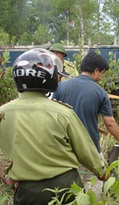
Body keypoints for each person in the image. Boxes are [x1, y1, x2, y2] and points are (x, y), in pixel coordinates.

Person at [0, 48, 109, 205]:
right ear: (49, 78)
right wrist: (102, 172)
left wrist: (5, 177)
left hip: (27, 191)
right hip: (65, 188)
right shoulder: (63, 113)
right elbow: (86, 150)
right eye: (58, 76)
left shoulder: (3, 112)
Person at [52, 51, 119, 198]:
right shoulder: (100, 93)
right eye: (102, 73)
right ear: (96, 71)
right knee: (94, 184)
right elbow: (110, 123)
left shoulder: (61, 87)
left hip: (63, 148)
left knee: (68, 187)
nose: (101, 77)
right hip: (89, 148)